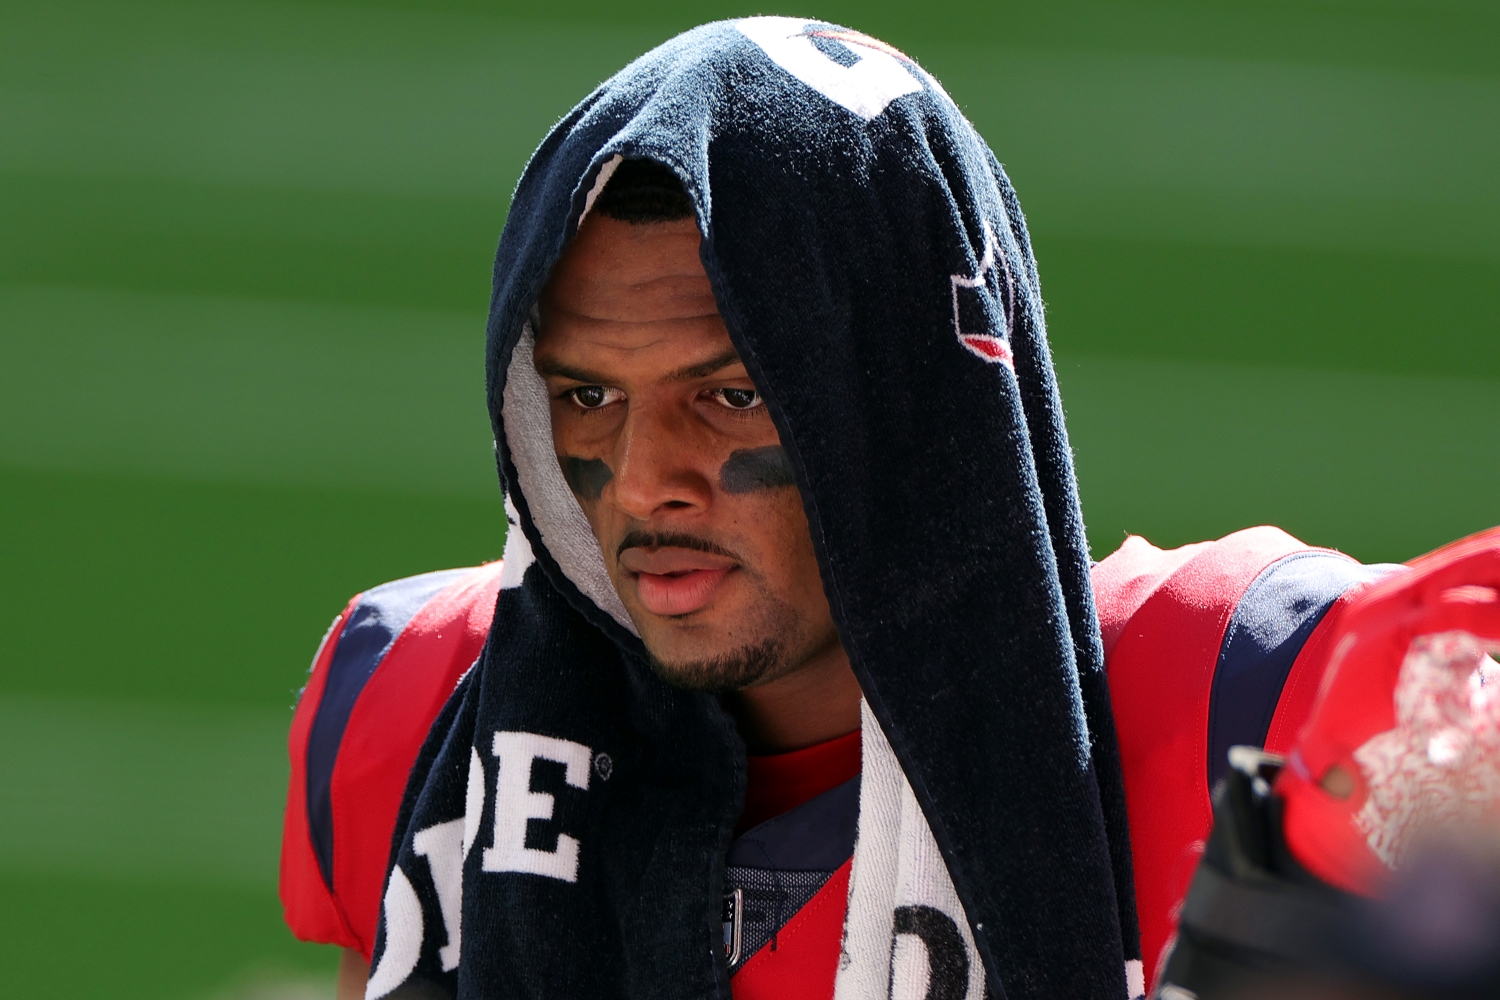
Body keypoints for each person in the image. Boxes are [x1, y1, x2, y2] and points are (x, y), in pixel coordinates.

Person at [276, 19, 1498, 1000]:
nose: (647, 478)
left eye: (736, 391)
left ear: (917, 400)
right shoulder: (415, 706)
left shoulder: (1241, 683)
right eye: (587, 395)